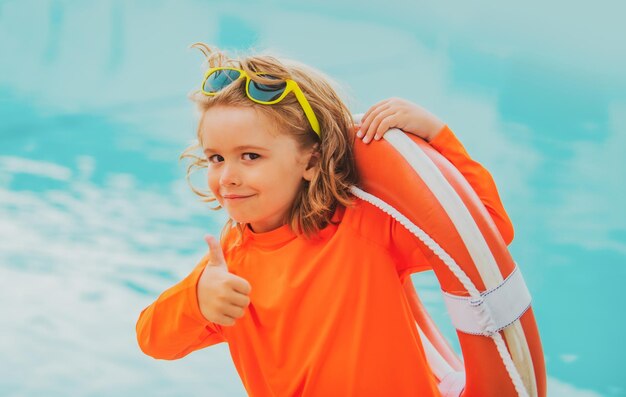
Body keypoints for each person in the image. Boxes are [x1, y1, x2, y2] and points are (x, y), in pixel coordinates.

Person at [136, 43, 514, 397]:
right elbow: (153, 339)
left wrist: (438, 135)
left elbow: (488, 235)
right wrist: (197, 300)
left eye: (250, 156)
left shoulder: (365, 230)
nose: (227, 177)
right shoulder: (231, 265)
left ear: (312, 161)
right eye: (216, 158)